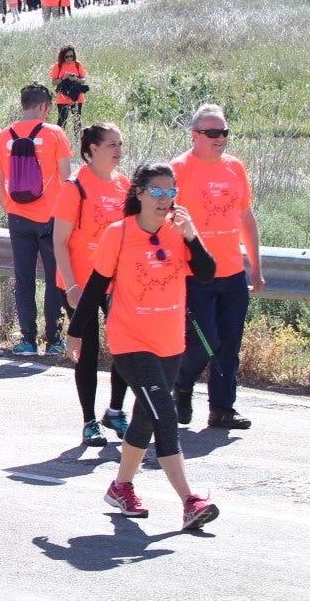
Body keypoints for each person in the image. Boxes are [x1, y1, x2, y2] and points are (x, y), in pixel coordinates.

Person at [67, 163, 219, 531]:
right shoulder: (119, 234)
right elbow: (96, 286)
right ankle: (190, 501)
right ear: (139, 193)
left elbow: (207, 272)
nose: (165, 199)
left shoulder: (178, 231)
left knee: (145, 416)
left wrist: (192, 236)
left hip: (170, 342)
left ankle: (121, 486)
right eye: (157, 191)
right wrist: (76, 331)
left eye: (171, 192)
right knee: (164, 413)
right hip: (131, 342)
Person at [172, 104, 264, 430]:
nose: (220, 138)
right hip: (195, 274)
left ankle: (222, 408)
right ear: (195, 135)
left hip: (232, 272)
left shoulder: (235, 167)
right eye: (212, 132)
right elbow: (164, 219)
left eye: (224, 131)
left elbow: (246, 217)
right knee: (204, 339)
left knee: (229, 342)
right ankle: (182, 384)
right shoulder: (179, 169)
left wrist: (256, 266)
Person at [53, 122, 131, 446]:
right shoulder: (75, 187)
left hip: (115, 283)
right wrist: (72, 286)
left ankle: (115, 411)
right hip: (80, 283)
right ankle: (89, 421)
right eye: (112, 144)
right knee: (87, 351)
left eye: (120, 144)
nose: (119, 150)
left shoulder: (124, 185)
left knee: (125, 348)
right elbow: (59, 241)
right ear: (93, 149)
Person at [0, 82, 72, 356]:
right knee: (53, 279)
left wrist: (10, 207)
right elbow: (66, 178)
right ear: (44, 106)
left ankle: (28, 340)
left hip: (18, 217)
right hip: (51, 218)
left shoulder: (4, 136)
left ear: (22, 104)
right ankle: (54, 341)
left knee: (23, 279)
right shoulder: (55, 133)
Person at [51, 44, 86, 130]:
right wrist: (63, 78)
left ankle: (77, 138)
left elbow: (83, 80)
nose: (69, 58)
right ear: (63, 57)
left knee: (77, 122)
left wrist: (75, 79)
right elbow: (53, 82)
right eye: (67, 57)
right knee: (61, 122)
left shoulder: (78, 64)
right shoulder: (58, 66)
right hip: (62, 98)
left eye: (71, 56)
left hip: (76, 97)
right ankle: (60, 137)